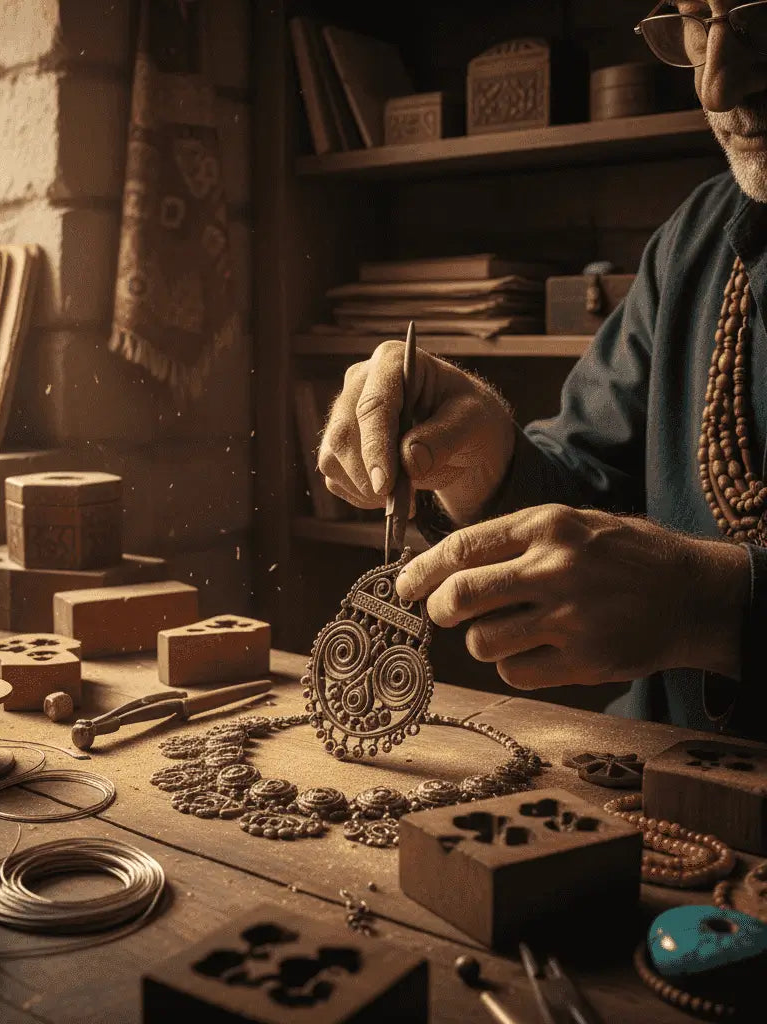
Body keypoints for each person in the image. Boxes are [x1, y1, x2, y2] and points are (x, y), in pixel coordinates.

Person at [317, 1, 767, 740]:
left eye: (758, 19)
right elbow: (588, 487)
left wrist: (708, 605)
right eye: (695, 21)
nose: (717, 84)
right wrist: (478, 460)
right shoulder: (696, 242)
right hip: (655, 782)